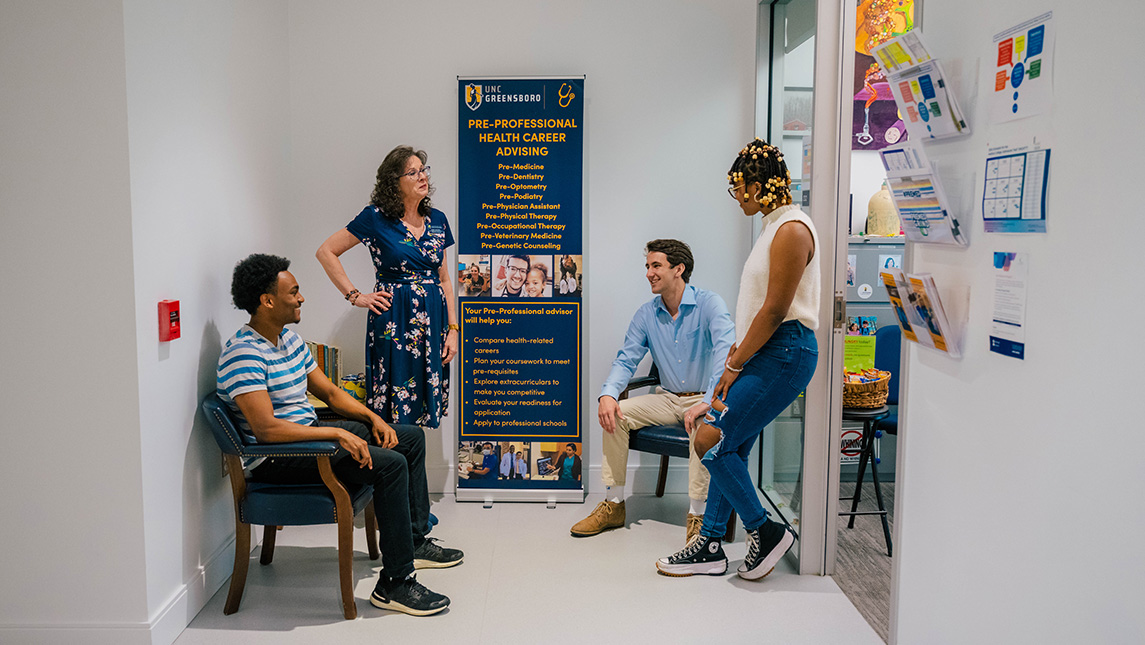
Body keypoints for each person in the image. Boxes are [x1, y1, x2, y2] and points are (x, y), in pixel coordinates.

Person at [216, 254, 462, 616]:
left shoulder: (289, 341)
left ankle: (412, 540)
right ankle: (395, 583)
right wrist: (336, 434)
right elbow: (266, 429)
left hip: (311, 438)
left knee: (406, 437)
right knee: (391, 465)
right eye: (294, 292)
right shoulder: (243, 354)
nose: (302, 299)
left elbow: (330, 394)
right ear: (267, 301)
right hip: (281, 458)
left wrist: (373, 419)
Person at [656, 139, 819, 581]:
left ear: (763, 184)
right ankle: (710, 544)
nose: (740, 197)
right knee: (734, 444)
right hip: (765, 352)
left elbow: (775, 309)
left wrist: (733, 364)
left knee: (709, 440)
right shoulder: (773, 226)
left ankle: (764, 532)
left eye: (742, 187)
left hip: (785, 351)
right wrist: (739, 358)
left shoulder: (792, 229)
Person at [570, 239, 735, 542]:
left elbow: (726, 356)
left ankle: (699, 517)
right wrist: (607, 394)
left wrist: (710, 401)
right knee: (615, 413)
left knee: (703, 426)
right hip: (668, 398)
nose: (649, 273)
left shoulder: (710, 304)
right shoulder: (646, 314)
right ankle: (614, 504)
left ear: (679, 269)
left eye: (656, 265)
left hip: (704, 399)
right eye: (648, 266)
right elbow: (626, 358)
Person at [316, 145, 457, 430]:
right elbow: (326, 251)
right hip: (395, 319)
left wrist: (454, 330)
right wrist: (355, 296)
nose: (422, 177)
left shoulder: (438, 220)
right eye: (413, 172)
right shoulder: (375, 218)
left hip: (434, 322)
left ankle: (410, 467)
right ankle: (393, 468)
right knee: (393, 407)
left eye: (424, 170)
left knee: (422, 407)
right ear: (395, 182)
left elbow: (444, 279)